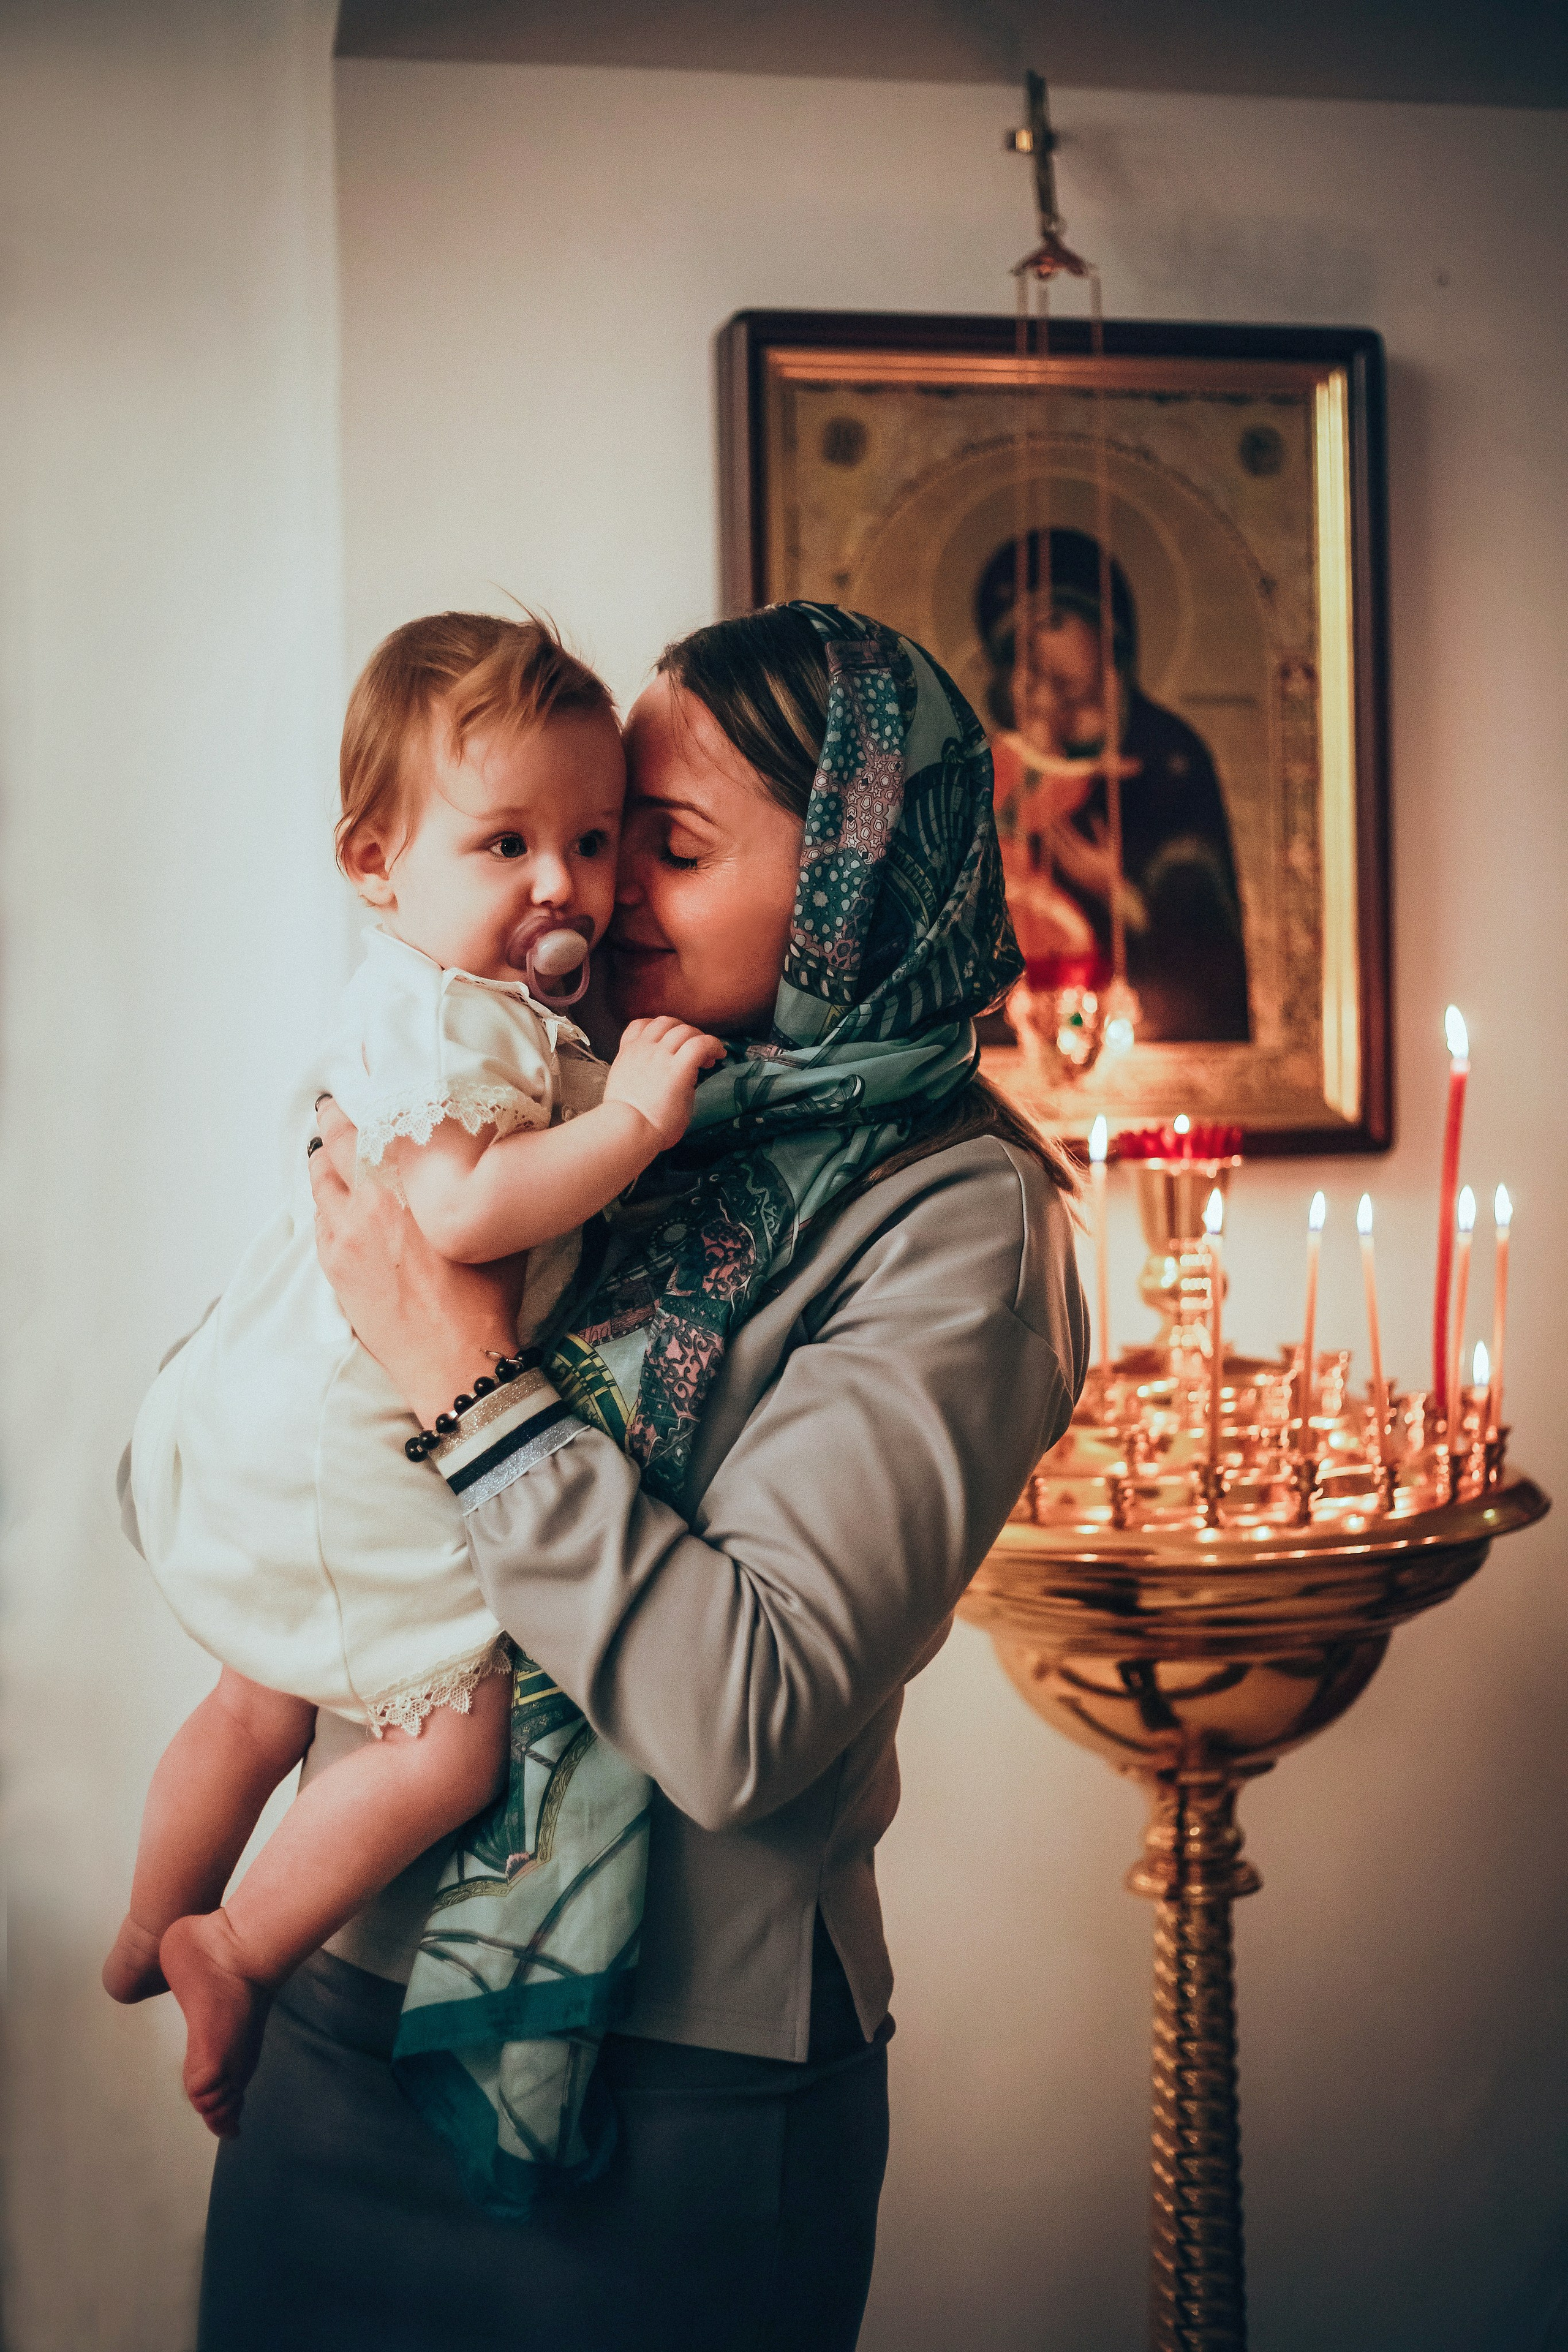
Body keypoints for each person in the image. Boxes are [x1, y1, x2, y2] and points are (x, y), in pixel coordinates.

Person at [185, 601, 1088, 2352]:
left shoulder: (961, 1220)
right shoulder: (562, 1096)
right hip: (336, 1990)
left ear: (845, 885)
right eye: (591, 837)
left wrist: (462, 1374)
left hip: (678, 2093)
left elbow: (741, 1717)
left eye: (657, 849)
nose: (592, 899)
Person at [108, 612, 723, 2146]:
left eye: (590, 838)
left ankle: (144, 1920)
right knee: (443, 1741)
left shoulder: (451, 1006)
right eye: (502, 839)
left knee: (262, 1694)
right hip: (358, 1428)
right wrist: (635, 1122)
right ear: (373, 863)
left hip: (282, 1397)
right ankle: (233, 1945)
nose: (560, 884)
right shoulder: (457, 1023)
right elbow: (457, 1214)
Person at [977, 526, 1252, 1042]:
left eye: (1054, 624)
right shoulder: (1002, 768)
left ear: (1107, 627)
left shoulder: (1170, 758)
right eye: (1019, 642)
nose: (1037, 654)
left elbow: (1209, 930)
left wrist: (1120, 890)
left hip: (1153, 1031)